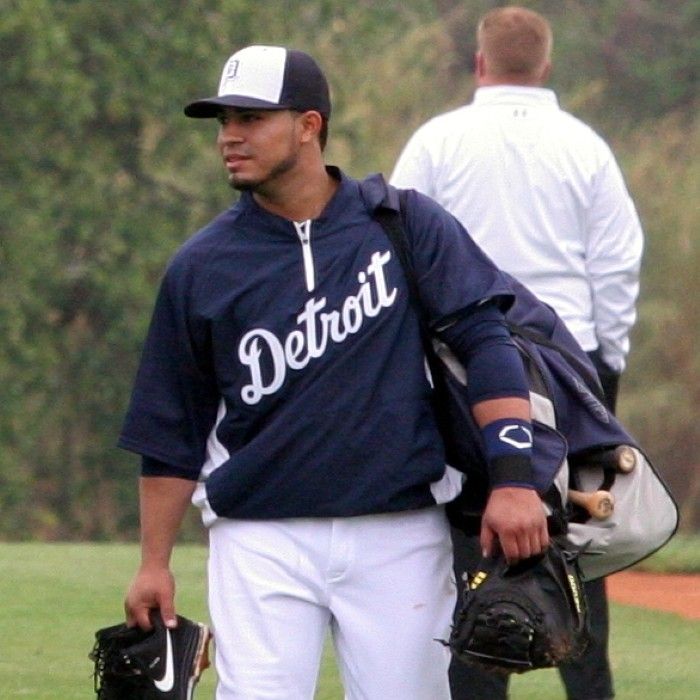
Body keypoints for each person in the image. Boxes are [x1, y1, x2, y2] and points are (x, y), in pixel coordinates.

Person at [119, 44, 550, 699]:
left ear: (308, 125)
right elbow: (171, 426)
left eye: (250, 118)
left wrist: (514, 480)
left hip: (399, 532)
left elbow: (486, 343)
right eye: (224, 120)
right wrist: (154, 563)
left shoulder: (405, 224)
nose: (229, 136)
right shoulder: (201, 265)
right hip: (259, 536)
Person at [391, 6, 644, 700]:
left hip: (463, 372)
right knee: (582, 543)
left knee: (474, 543)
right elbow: (617, 262)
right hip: (570, 367)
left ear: (480, 63)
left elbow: (399, 248)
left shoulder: (438, 141)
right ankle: (591, 690)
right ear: (545, 65)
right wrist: (607, 363)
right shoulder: (585, 147)